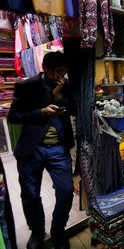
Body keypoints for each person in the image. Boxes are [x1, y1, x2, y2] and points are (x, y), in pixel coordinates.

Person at [8, 52, 76, 249]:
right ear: (44, 68)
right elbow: (13, 116)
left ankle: (58, 231)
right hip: (32, 149)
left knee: (66, 191)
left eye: (61, 71)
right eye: (53, 71)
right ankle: (37, 231)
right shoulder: (27, 86)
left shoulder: (66, 85)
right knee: (30, 193)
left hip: (59, 148)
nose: (56, 75)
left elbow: (74, 109)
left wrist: (59, 95)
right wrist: (41, 112)